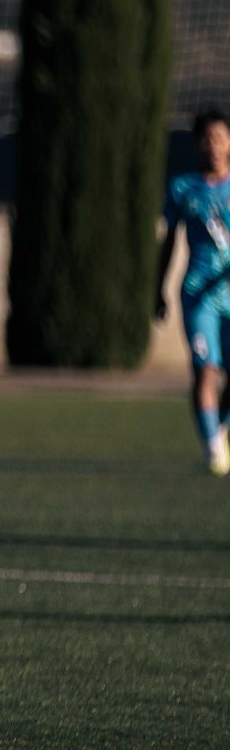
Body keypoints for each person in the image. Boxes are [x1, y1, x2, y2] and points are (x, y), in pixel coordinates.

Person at [156, 109, 230, 475]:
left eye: (220, 138)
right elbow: (168, 242)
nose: (213, 145)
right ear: (198, 143)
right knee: (206, 370)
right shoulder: (183, 188)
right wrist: (157, 289)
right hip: (198, 295)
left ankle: (220, 430)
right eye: (207, 138)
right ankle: (213, 450)